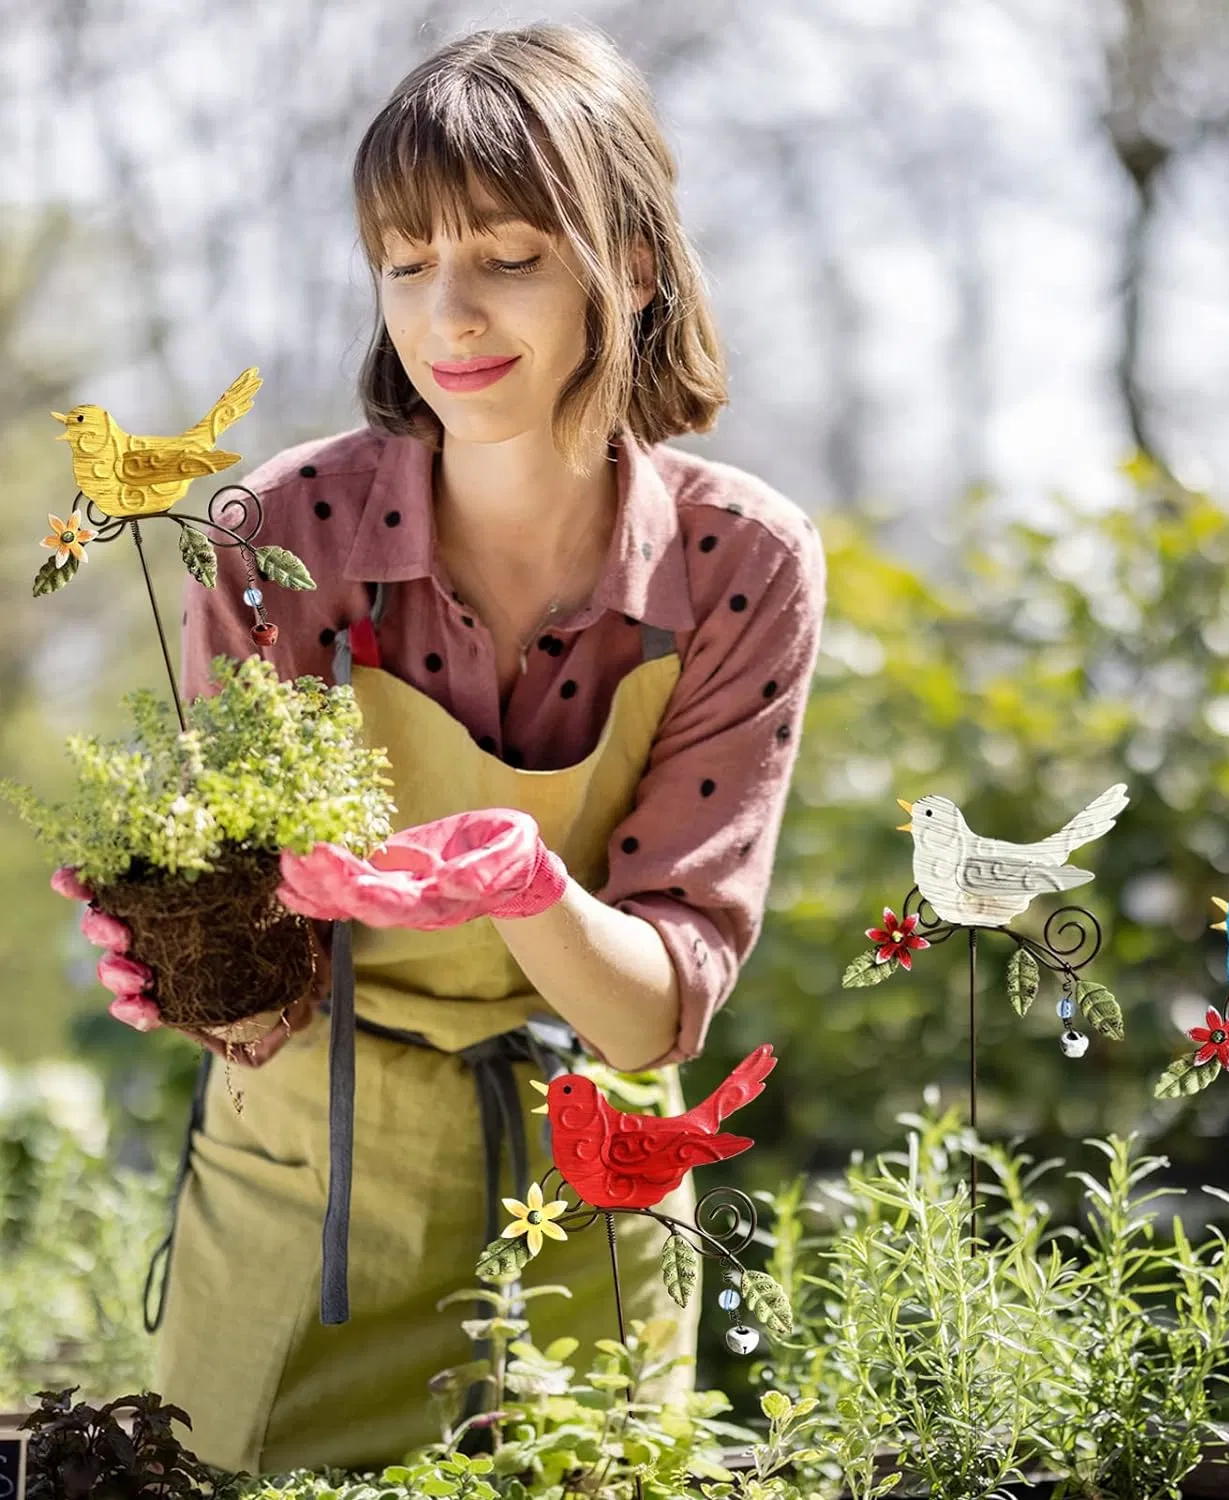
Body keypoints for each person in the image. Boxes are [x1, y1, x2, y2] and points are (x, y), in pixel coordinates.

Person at [64, 22, 825, 1474]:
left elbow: (651, 1012)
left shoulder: (741, 561)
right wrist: (180, 952)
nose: (449, 315)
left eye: (510, 255)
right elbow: (243, 956)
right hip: (315, 1174)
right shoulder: (283, 539)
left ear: (634, 267)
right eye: (407, 264)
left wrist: (526, 884)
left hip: (593, 1177)